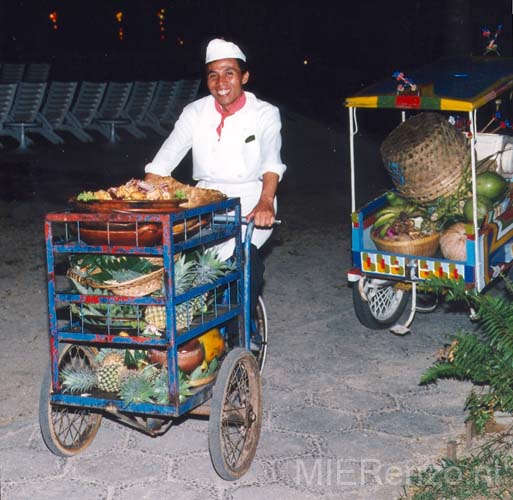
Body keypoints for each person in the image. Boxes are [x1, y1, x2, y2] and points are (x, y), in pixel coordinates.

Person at [144, 38, 286, 313]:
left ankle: (243, 332)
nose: (221, 81)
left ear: (244, 76)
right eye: (213, 74)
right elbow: (162, 163)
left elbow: (272, 160)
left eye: (229, 73)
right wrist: (147, 192)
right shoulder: (195, 112)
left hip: (250, 199)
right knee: (179, 264)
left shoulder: (265, 113)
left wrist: (266, 202)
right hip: (204, 200)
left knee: (243, 261)